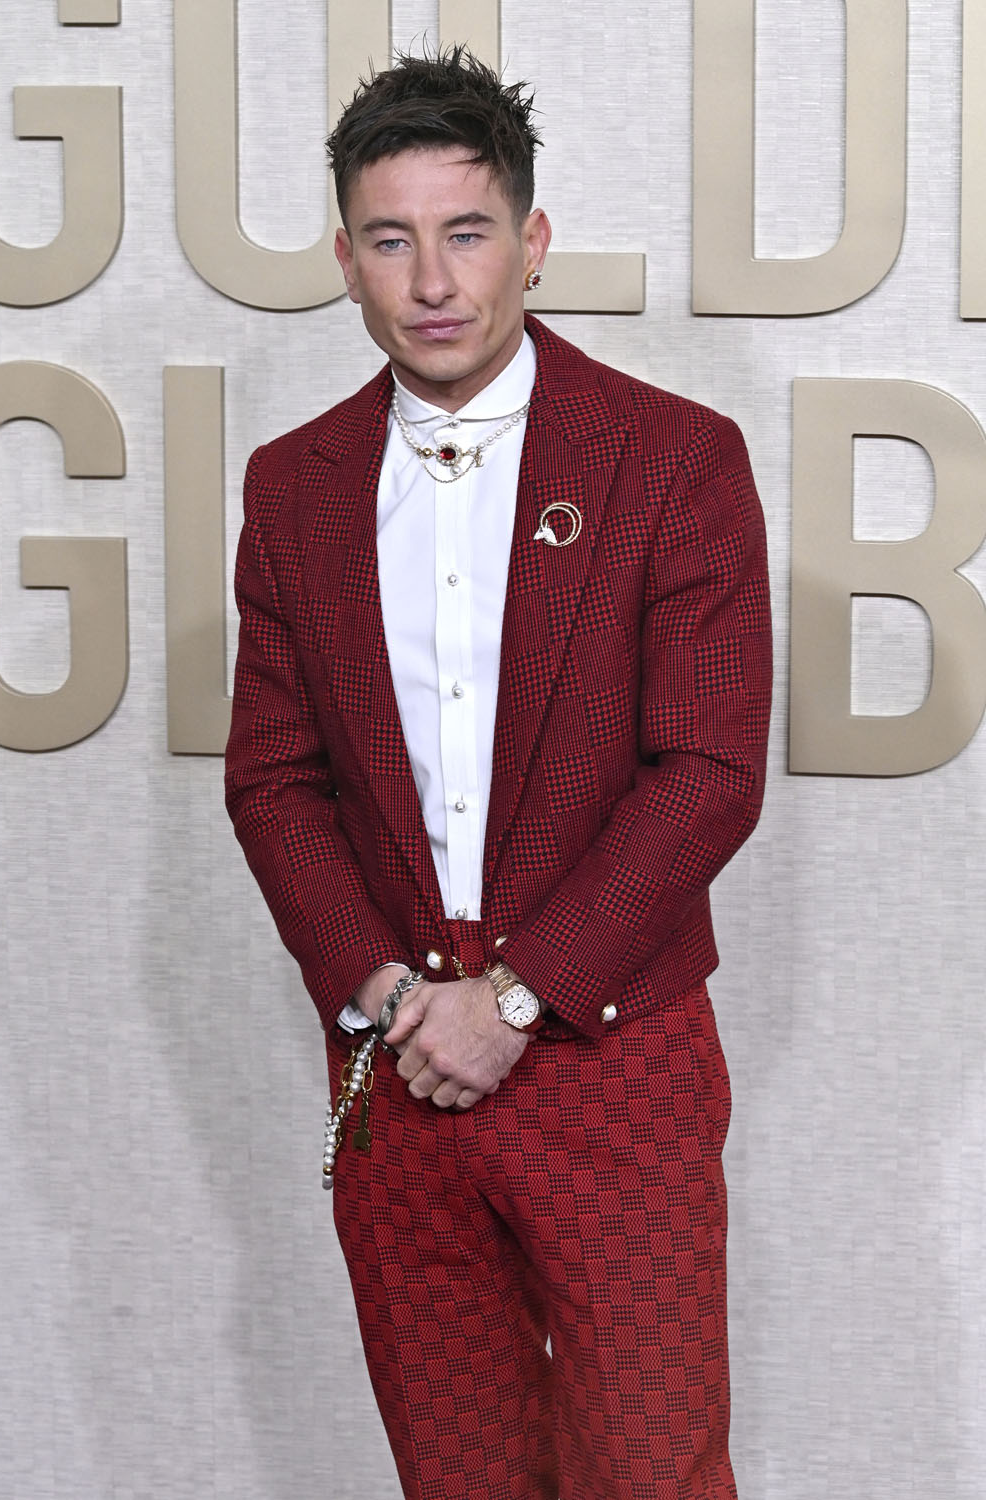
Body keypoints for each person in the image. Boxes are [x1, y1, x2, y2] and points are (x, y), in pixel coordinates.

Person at [224, 45, 771, 1500]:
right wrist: (389, 995)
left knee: (653, 1472)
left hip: (616, 1056)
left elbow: (709, 767)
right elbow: (273, 778)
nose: (433, 282)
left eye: (466, 234)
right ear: (344, 259)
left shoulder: (675, 459)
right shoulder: (294, 485)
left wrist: (517, 999)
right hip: (398, 1058)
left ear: (532, 242)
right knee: (458, 1475)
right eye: (391, 241)